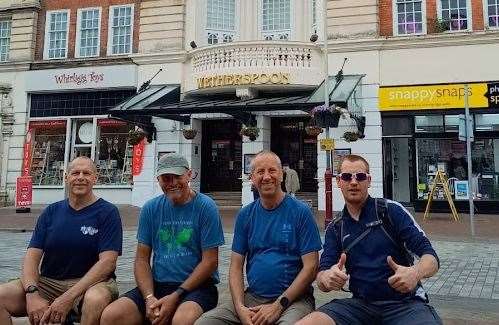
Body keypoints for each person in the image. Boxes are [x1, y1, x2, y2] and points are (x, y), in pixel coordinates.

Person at [296, 154, 442, 325]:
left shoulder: (390, 211)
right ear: (338, 182)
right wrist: (327, 277)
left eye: (360, 176)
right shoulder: (336, 228)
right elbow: (322, 276)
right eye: (346, 177)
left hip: (405, 305)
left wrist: (415, 273)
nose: (353, 182)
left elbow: (430, 257)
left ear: (369, 180)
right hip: (361, 306)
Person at [196, 150, 322, 325]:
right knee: (205, 323)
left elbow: (311, 267)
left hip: (293, 300)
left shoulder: (301, 212)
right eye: (260, 172)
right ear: (252, 178)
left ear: (281, 175)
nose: (266, 177)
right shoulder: (245, 215)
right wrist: (240, 308)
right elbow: (235, 267)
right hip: (253, 297)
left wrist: (279, 305)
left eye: (272, 170)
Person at [101, 153, 225, 325]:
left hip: (197, 287)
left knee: (182, 320)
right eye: (166, 178)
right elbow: (142, 260)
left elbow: (210, 262)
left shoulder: (206, 206)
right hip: (158, 284)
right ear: (158, 180)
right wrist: (149, 298)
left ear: (189, 175)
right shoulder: (150, 208)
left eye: (177, 177)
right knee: (112, 315)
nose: (172, 183)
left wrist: (176, 296)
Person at [0, 156, 123, 325]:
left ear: (95, 178)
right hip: (48, 282)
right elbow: (31, 257)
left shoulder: (108, 212)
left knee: (95, 300)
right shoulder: (51, 211)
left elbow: (107, 263)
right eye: (75, 173)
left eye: (86, 173)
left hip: (90, 283)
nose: (80, 177)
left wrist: (68, 298)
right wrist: (32, 293)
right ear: (66, 177)